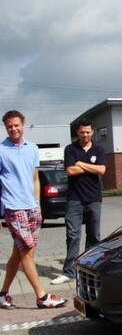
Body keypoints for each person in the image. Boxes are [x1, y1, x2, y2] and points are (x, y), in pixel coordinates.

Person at [0, 110, 67, 309]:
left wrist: (38, 205)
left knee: (19, 253)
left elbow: (35, 178)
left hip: (32, 208)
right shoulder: (1, 150)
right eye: (9, 126)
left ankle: (3, 294)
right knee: (27, 252)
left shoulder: (33, 148)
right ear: (6, 128)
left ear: (23, 125)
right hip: (13, 207)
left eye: (16, 125)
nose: (13, 129)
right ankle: (42, 296)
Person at [51, 118, 107, 285]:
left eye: (88, 132)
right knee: (73, 235)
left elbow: (102, 169)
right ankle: (69, 271)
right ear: (77, 132)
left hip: (94, 199)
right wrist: (91, 167)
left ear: (92, 132)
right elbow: (70, 171)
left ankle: (89, 270)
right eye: (82, 132)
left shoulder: (99, 149)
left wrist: (81, 164)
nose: (85, 135)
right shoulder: (70, 149)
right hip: (74, 199)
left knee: (94, 236)